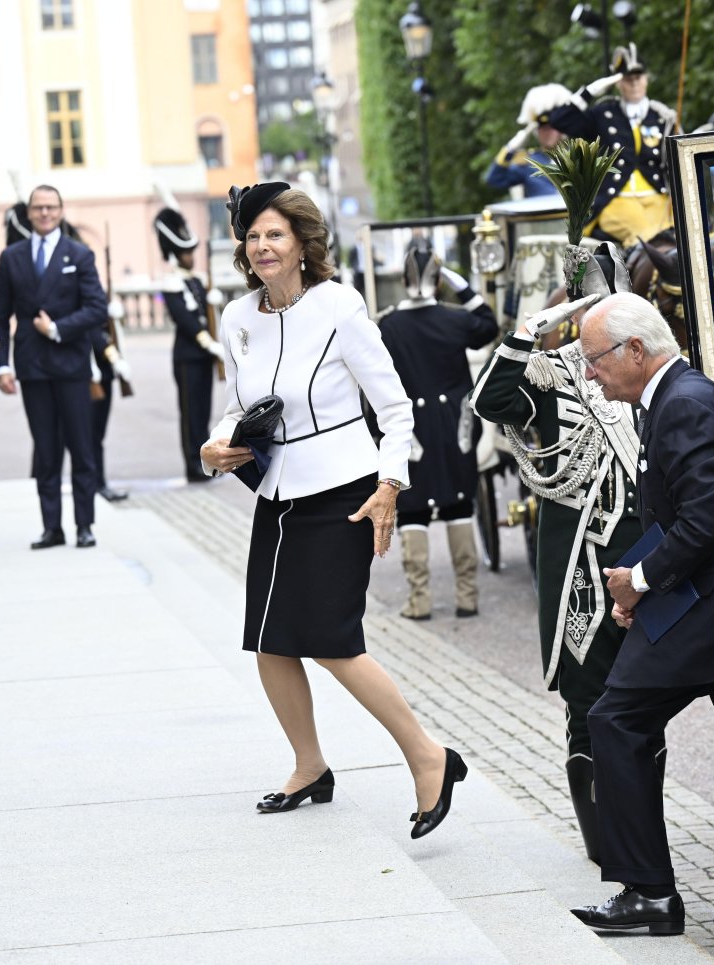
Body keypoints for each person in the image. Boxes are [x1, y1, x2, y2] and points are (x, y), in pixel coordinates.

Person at [199, 182, 466, 839]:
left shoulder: (341, 306)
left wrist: (391, 484)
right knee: (267, 637)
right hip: (275, 490)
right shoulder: (237, 319)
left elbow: (396, 408)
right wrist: (217, 441)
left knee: (332, 638)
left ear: (301, 243)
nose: (262, 246)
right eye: (253, 236)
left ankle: (430, 756)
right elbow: (240, 405)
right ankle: (310, 764)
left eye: (275, 235)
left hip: (348, 489)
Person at [569, 291, 714, 936]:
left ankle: (651, 895)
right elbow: (685, 515)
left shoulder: (682, 405)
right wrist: (640, 586)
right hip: (695, 607)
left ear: (635, 351)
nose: (589, 374)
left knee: (616, 721)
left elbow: (708, 518)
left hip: (705, 614)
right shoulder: (674, 398)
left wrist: (644, 579)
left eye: (594, 360)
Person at [471, 266, 640, 865]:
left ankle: (644, 839)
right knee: (588, 708)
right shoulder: (553, 372)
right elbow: (489, 400)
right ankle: (609, 849)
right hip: (585, 576)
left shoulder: (655, 369)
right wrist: (525, 335)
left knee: (651, 709)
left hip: (657, 566)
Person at [378, 241, 498, 620]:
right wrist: (463, 287)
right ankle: (467, 596)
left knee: (412, 509)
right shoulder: (454, 318)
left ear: (402, 278)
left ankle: (420, 599)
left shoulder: (389, 325)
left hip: (410, 430)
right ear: (440, 281)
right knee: (460, 503)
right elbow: (489, 326)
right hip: (455, 426)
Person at [0, 185, 108, 550]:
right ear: (29, 212)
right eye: (38, 208)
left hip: (71, 364)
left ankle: (84, 525)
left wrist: (58, 328)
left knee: (82, 447)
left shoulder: (80, 254)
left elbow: (96, 308)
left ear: (60, 210)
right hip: (32, 367)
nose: (44, 213)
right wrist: (1, 366)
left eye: (50, 207)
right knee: (45, 449)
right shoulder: (11, 257)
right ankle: (51, 527)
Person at [545, 44, 679, 247]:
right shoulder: (604, 115)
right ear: (618, 83)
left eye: (638, 77)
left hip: (658, 197)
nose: (634, 84)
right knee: (648, 236)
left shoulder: (662, 117)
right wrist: (590, 91)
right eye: (627, 79)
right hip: (616, 200)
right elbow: (560, 120)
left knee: (682, 237)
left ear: (646, 79)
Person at [155, 206, 224, 483]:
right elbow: (185, 320)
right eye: (185, 253)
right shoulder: (172, 283)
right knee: (190, 414)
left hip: (203, 357)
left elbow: (206, 317)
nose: (190, 257)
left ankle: (203, 462)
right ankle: (192, 465)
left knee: (203, 411)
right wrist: (208, 343)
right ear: (175, 253)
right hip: (187, 356)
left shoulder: (196, 281)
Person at [484, 84, 570, 198]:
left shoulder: (578, 157)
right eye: (542, 128)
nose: (547, 132)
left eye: (552, 127)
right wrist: (510, 149)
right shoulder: (529, 163)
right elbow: (495, 179)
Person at [89, 301, 131, 502]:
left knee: (96, 435)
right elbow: (92, 330)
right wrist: (113, 356)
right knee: (90, 435)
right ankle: (95, 483)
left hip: (103, 374)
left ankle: (97, 482)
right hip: (88, 373)